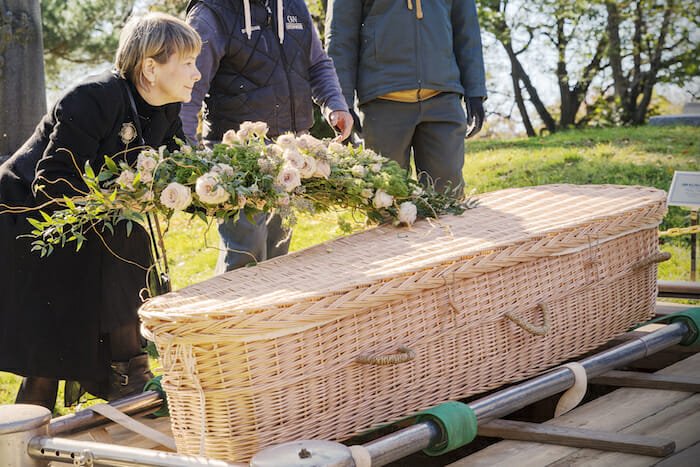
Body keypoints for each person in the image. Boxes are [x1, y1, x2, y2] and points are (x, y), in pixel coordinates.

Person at [0, 12, 202, 411]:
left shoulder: (164, 109)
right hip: (24, 214)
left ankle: (127, 370)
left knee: (126, 239)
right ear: (149, 67)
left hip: (80, 218)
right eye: (189, 63)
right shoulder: (92, 97)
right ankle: (123, 373)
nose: (196, 74)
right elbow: (53, 180)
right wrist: (121, 199)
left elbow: (183, 167)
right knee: (51, 338)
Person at [181, 0, 353, 273]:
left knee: (277, 256)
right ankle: (231, 315)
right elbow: (189, 86)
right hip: (236, 157)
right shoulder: (210, 13)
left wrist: (335, 104)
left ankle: (272, 316)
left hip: (290, 155)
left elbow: (318, 63)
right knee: (244, 257)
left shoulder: (294, 6)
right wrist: (187, 151)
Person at [326, 0, 487, 194]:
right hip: (382, 105)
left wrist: (475, 91)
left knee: (448, 201)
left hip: (443, 100)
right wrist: (341, 101)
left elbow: (467, 28)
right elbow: (340, 36)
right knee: (385, 202)